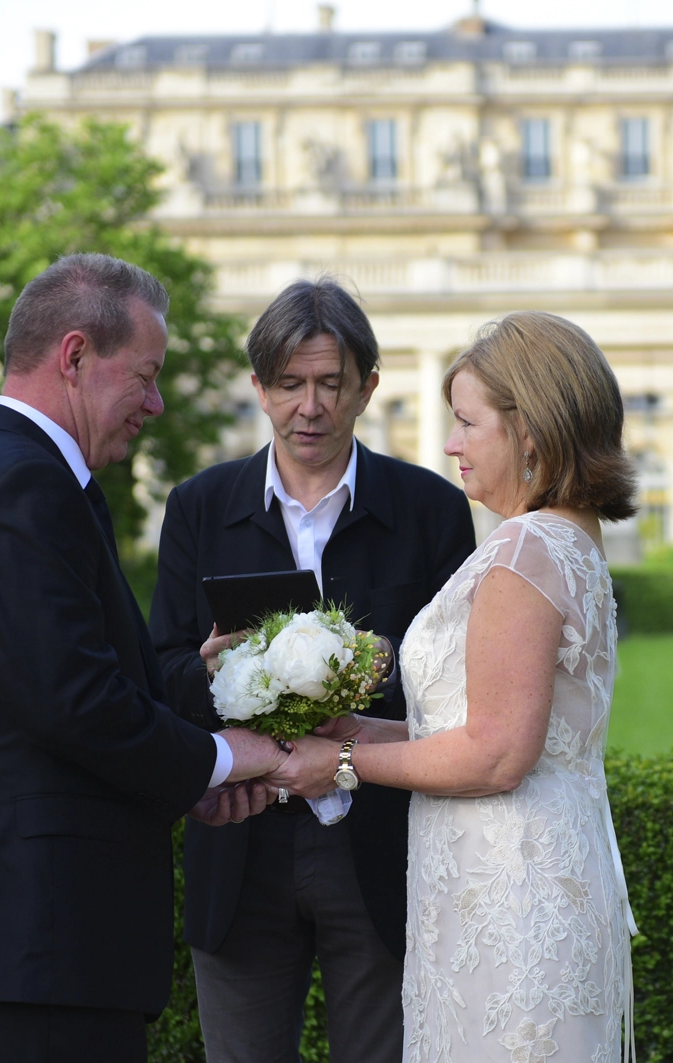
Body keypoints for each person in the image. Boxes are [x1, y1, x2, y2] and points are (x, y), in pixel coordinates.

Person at [0, 253, 285, 1063]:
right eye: (145, 376)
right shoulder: (21, 483)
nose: (154, 403)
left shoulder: (30, 473)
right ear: (75, 355)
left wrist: (189, 766)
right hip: (35, 938)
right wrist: (223, 758)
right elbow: (73, 700)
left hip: (42, 943)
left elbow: (80, 683)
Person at [268, 311, 641, 1063]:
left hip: (508, 890)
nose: (450, 444)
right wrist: (359, 730)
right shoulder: (568, 536)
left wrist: (340, 763)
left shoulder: (526, 547)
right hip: (524, 872)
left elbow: (496, 753)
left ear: (529, 430)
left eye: (468, 423)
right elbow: (489, 725)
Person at [149, 278, 475, 1063]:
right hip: (240, 840)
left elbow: (461, 689)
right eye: (289, 383)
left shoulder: (430, 508)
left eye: (331, 383)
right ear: (258, 387)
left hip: (382, 843)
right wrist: (207, 674)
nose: (310, 407)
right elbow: (159, 672)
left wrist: (375, 668)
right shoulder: (198, 506)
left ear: (367, 386)